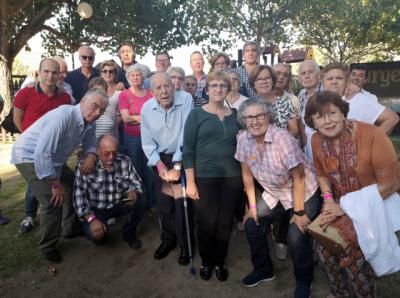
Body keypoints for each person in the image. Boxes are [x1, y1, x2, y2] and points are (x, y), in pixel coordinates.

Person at [304, 90, 400, 297]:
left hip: (377, 204)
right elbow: (321, 173)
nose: (328, 121)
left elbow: (390, 185)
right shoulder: (316, 140)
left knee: (352, 254)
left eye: (332, 113)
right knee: (322, 247)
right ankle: (340, 294)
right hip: (340, 204)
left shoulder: (373, 135)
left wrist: (344, 206)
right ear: (312, 121)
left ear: (343, 112)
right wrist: (328, 200)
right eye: (320, 116)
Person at [235, 98, 321, 297]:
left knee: (296, 234)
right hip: (275, 191)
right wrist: (253, 208)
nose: (255, 121)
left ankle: (304, 281)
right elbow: (247, 176)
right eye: (249, 117)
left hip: (303, 191)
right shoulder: (243, 140)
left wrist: (299, 212)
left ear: (269, 117)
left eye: (260, 115)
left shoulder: (282, 138)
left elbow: (299, 177)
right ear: (243, 120)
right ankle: (263, 270)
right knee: (252, 224)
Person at [11, 89, 108, 262]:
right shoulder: (64, 116)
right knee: (51, 200)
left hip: (53, 159)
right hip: (29, 156)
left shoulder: (89, 122)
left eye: (102, 110)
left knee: (72, 184)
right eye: (95, 106)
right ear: (83, 100)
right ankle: (48, 246)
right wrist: (55, 185)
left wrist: (92, 156)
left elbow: (91, 144)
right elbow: (42, 153)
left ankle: (70, 228)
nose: (98, 112)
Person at [183, 71, 242, 282]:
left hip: (232, 177)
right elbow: (188, 150)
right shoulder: (196, 114)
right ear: (206, 89)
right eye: (214, 85)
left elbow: (245, 144)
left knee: (225, 222)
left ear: (228, 89)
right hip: (205, 177)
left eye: (222, 85)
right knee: (207, 222)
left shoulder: (235, 115)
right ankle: (207, 261)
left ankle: (220, 260)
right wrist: (190, 182)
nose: (218, 89)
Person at [14, 58, 73, 235]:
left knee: (66, 180)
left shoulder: (64, 97)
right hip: (31, 150)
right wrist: (29, 138)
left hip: (52, 150)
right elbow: (18, 118)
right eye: (46, 71)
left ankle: (67, 223)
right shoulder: (26, 93)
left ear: (59, 75)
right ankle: (30, 216)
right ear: (39, 72)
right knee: (37, 185)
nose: (50, 76)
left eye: (54, 72)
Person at [141, 72, 193, 265]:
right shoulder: (147, 108)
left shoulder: (185, 99)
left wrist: (178, 165)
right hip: (160, 159)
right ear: (151, 91)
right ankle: (167, 240)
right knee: (164, 203)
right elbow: (147, 143)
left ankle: (185, 246)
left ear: (174, 86)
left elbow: (186, 135)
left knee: (181, 204)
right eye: (158, 87)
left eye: (167, 86)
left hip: (181, 156)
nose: (164, 91)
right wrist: (161, 165)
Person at [73, 134, 145, 249]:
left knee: (141, 201)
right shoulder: (85, 166)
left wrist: (134, 193)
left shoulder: (124, 161)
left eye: (115, 153)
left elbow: (136, 182)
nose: (111, 157)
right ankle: (91, 227)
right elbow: (79, 197)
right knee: (98, 238)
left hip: (119, 202)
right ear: (98, 150)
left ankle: (129, 232)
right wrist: (92, 220)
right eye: (106, 153)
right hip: (97, 209)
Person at [322, 62, 399, 135]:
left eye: (339, 78)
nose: (334, 81)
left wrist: (372, 142)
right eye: (329, 78)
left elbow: (392, 118)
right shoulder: (318, 101)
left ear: (347, 81)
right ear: (323, 82)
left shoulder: (359, 100)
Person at [119, 64, 155, 209]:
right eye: (132, 75)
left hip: (150, 137)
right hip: (132, 138)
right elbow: (126, 118)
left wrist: (138, 117)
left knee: (151, 169)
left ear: (143, 77)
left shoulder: (150, 94)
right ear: (128, 78)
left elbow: (156, 115)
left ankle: (153, 203)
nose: (135, 77)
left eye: (138, 75)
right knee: (135, 169)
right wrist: (146, 117)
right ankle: (140, 203)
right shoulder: (124, 95)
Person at [249, 65, 299, 138]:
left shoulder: (285, 103)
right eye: (259, 79)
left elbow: (294, 131)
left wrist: (275, 141)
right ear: (253, 84)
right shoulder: (248, 105)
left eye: (267, 78)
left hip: (280, 147)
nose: (264, 81)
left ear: (273, 81)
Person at [297, 60, 321, 159]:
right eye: (303, 73)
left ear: (319, 75)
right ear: (299, 78)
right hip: (308, 147)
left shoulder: (326, 93)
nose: (307, 76)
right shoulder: (301, 94)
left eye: (310, 72)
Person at [95, 60, 121, 139]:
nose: (108, 73)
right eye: (105, 71)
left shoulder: (120, 91)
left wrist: (114, 123)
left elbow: (122, 112)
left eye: (111, 71)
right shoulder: (95, 89)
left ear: (115, 74)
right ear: (101, 74)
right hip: (96, 129)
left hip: (113, 130)